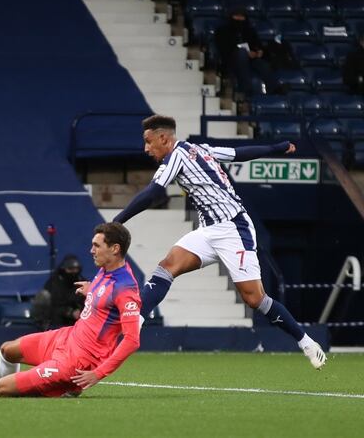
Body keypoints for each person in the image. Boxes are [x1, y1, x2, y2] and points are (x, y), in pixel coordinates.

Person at [113, 115, 326, 369]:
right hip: (208, 230)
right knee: (167, 265)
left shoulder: (178, 156)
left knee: (255, 299)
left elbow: (153, 192)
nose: (146, 149)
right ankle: (135, 323)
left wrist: (117, 222)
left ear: (163, 138)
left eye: (149, 142)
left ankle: (306, 342)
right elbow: (240, 152)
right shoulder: (201, 149)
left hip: (234, 228)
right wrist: (276, 147)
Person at [0, 222, 141, 397]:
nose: (91, 250)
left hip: (78, 361)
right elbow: (106, 300)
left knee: (2, 388)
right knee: (7, 350)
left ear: (115, 249)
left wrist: (98, 373)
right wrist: (92, 291)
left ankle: (3, 388)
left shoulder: (126, 288)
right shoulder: (105, 269)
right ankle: (55, 388)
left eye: (96, 245)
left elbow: (132, 340)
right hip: (66, 338)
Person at [214, 7, 279, 96]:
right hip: (231, 59)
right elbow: (224, 48)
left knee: (263, 65)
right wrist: (243, 52)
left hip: (251, 58)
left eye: (242, 16)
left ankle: (274, 90)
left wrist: (259, 51)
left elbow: (257, 44)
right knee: (242, 53)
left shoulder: (249, 30)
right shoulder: (222, 31)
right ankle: (246, 90)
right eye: (237, 16)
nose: (239, 19)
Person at [31, 254, 87, 330]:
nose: (74, 272)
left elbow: (86, 302)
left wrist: (79, 311)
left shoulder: (81, 282)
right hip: (55, 321)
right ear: (64, 269)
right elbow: (54, 306)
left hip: (75, 323)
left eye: (76, 269)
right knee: (43, 296)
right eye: (70, 269)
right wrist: (69, 312)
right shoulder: (55, 282)